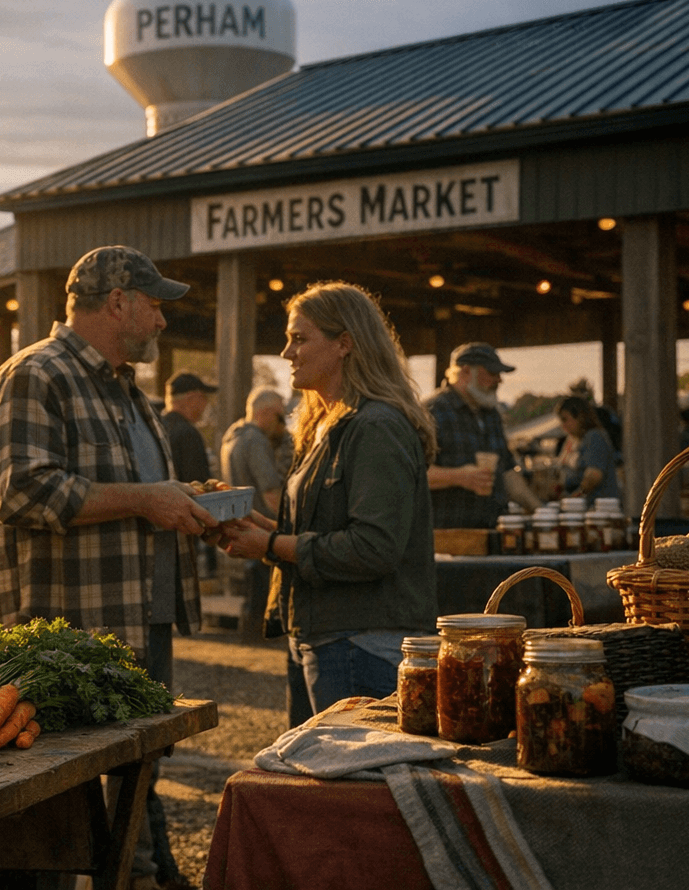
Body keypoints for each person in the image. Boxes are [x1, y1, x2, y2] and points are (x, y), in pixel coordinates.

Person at [0, 245, 213, 890]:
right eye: (155, 306)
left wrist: (188, 502)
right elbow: (19, 490)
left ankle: (137, 875)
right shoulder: (37, 375)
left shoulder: (125, 389)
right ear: (118, 303)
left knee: (137, 772)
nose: (163, 322)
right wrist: (147, 497)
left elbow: (133, 497)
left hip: (139, 619)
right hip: (62, 634)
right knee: (54, 804)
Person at [220, 281, 438, 728]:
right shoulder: (323, 426)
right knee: (321, 787)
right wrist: (255, 534)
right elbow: (318, 533)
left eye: (299, 338)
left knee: (354, 790)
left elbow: (374, 548)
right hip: (321, 635)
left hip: (362, 643)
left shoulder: (376, 426)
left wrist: (272, 542)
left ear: (345, 344)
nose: (286, 352)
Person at [426, 342, 542, 528]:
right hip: (449, 539)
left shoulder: (492, 414)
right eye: (492, 373)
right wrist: (459, 477)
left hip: (492, 532)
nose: (499, 380)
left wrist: (541, 512)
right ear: (465, 372)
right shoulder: (431, 411)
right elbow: (409, 475)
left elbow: (507, 472)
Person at [220, 386, 288, 636]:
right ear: (266, 413)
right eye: (279, 416)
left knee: (252, 589)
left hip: (240, 521)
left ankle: (249, 632)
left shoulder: (232, 436)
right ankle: (259, 635)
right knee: (262, 590)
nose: (281, 424)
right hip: (261, 525)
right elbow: (271, 493)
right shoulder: (256, 441)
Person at [557, 395, 623, 503]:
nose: (563, 425)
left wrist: (573, 498)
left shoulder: (594, 437)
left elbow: (593, 476)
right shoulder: (575, 441)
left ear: (580, 417)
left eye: (565, 419)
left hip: (599, 508)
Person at [160, 371, 216, 485]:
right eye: (203, 397)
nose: (205, 403)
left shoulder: (157, 426)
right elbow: (198, 485)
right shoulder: (188, 434)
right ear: (190, 399)